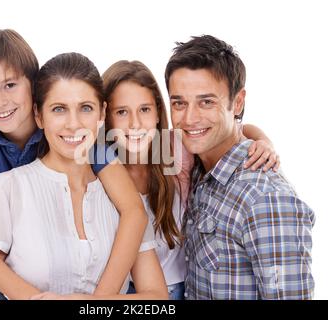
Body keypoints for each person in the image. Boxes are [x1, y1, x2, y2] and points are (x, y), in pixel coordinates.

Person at [0, 29, 148, 299]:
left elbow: (134, 211)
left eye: (9, 85)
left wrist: (98, 302)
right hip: (10, 266)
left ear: (32, 86)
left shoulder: (76, 137)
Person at [100, 60, 280, 300]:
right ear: (107, 117)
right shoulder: (99, 166)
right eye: (122, 112)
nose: (134, 124)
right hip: (120, 292)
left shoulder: (176, 151)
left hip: (177, 287)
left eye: (144, 109)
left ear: (157, 112)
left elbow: (232, 127)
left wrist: (264, 141)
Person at [165, 35, 315, 299]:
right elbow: (124, 141)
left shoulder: (266, 199)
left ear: (237, 102)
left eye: (206, 102)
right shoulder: (193, 158)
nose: (189, 119)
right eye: (179, 103)